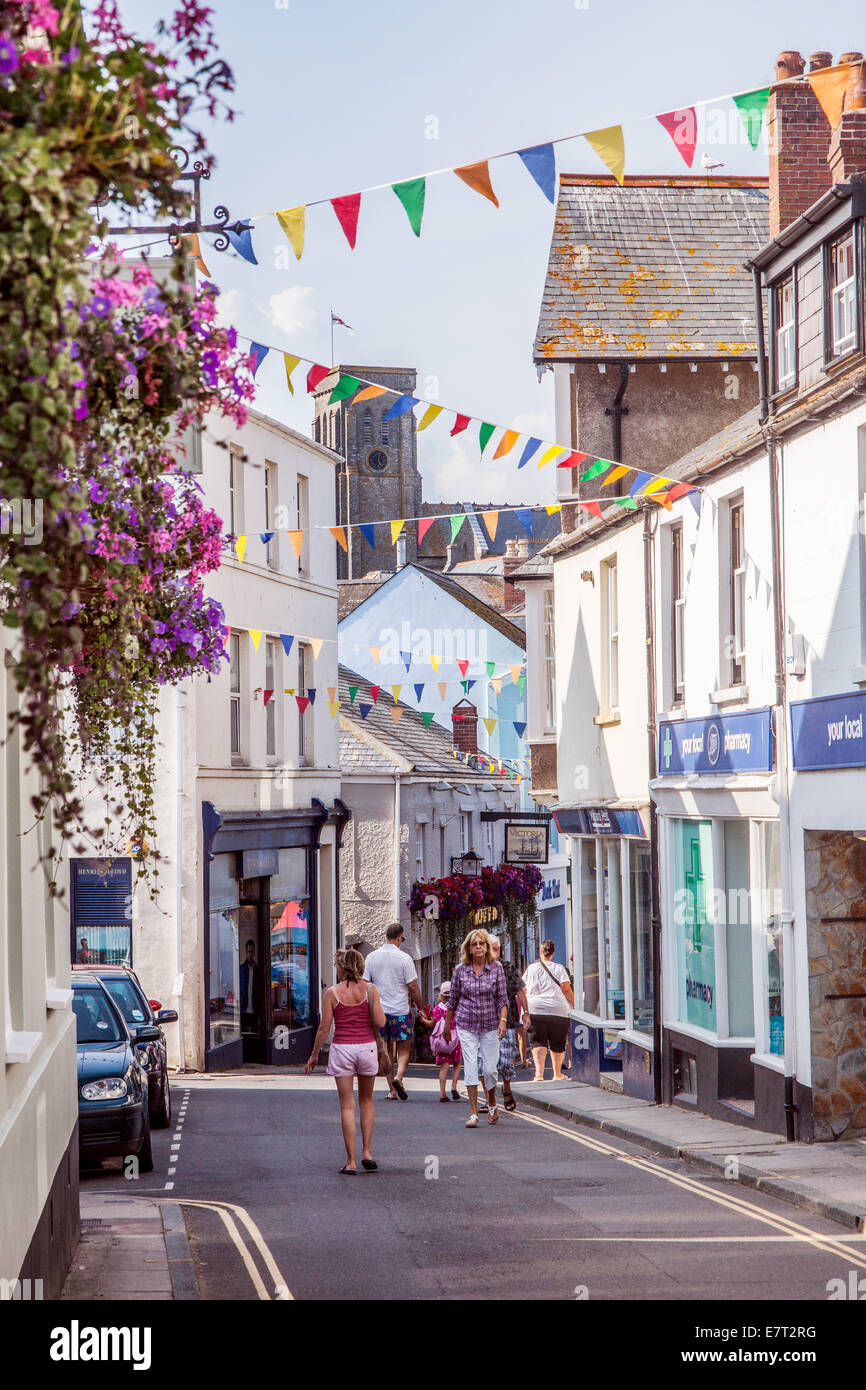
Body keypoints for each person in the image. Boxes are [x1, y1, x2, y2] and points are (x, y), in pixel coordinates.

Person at [305, 948, 385, 1174]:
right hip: (366, 1047)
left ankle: (350, 1162)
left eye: (336, 965)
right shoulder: (371, 989)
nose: (336, 969)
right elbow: (380, 1021)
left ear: (342, 967)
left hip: (342, 1049)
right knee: (367, 1101)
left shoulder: (331, 993)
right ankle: (367, 1152)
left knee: (347, 1106)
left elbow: (324, 1029)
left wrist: (313, 1055)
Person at [442, 929, 507, 1127]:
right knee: (470, 1067)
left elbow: (502, 998)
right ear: (468, 949)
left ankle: (492, 1102)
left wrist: (502, 1020)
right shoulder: (461, 970)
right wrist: (447, 1026)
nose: (478, 947)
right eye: (474, 944)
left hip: (489, 1025)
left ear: (487, 947)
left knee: (489, 1070)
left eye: (481, 943)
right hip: (466, 1024)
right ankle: (473, 1113)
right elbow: (452, 1000)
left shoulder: (496, 968)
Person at [364, 923, 430, 1100]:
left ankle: (391, 1090)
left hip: (379, 1012)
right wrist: (421, 1008)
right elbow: (413, 986)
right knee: (404, 1049)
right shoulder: (404, 958)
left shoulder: (371, 957)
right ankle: (398, 1077)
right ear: (400, 937)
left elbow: (365, 985)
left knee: (385, 1050)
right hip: (400, 1011)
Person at [523, 940, 575, 1082]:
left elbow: (523, 988)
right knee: (558, 1042)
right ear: (552, 953)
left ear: (540, 953)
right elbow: (566, 988)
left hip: (535, 1009)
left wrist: (525, 1008)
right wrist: (575, 1004)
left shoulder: (531, 968)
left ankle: (539, 1074)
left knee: (537, 1041)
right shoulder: (559, 968)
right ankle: (557, 1074)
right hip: (557, 1010)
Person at [488, 937, 529, 1113]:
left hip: (508, 1020)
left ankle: (505, 1087)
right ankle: (489, 1099)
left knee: (505, 1062)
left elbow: (520, 990)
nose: (496, 952)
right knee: (486, 1065)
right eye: (493, 949)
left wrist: (526, 1012)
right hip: (485, 1022)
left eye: (497, 949)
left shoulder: (507, 968)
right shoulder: (479, 968)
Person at [429, 982, 463, 1101]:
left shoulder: (437, 1008)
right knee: (457, 1063)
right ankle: (453, 1087)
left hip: (442, 1040)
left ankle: (442, 1094)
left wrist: (423, 1020)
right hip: (456, 1038)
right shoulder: (457, 1006)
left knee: (444, 1067)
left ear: (441, 995)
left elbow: (432, 1023)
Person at [239, 939, 260, 1034]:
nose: (250, 954)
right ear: (246, 952)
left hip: (255, 1009)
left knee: (255, 1033)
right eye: (249, 952)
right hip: (244, 1009)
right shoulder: (241, 969)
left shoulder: (257, 969)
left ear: (254, 951)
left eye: (252, 952)